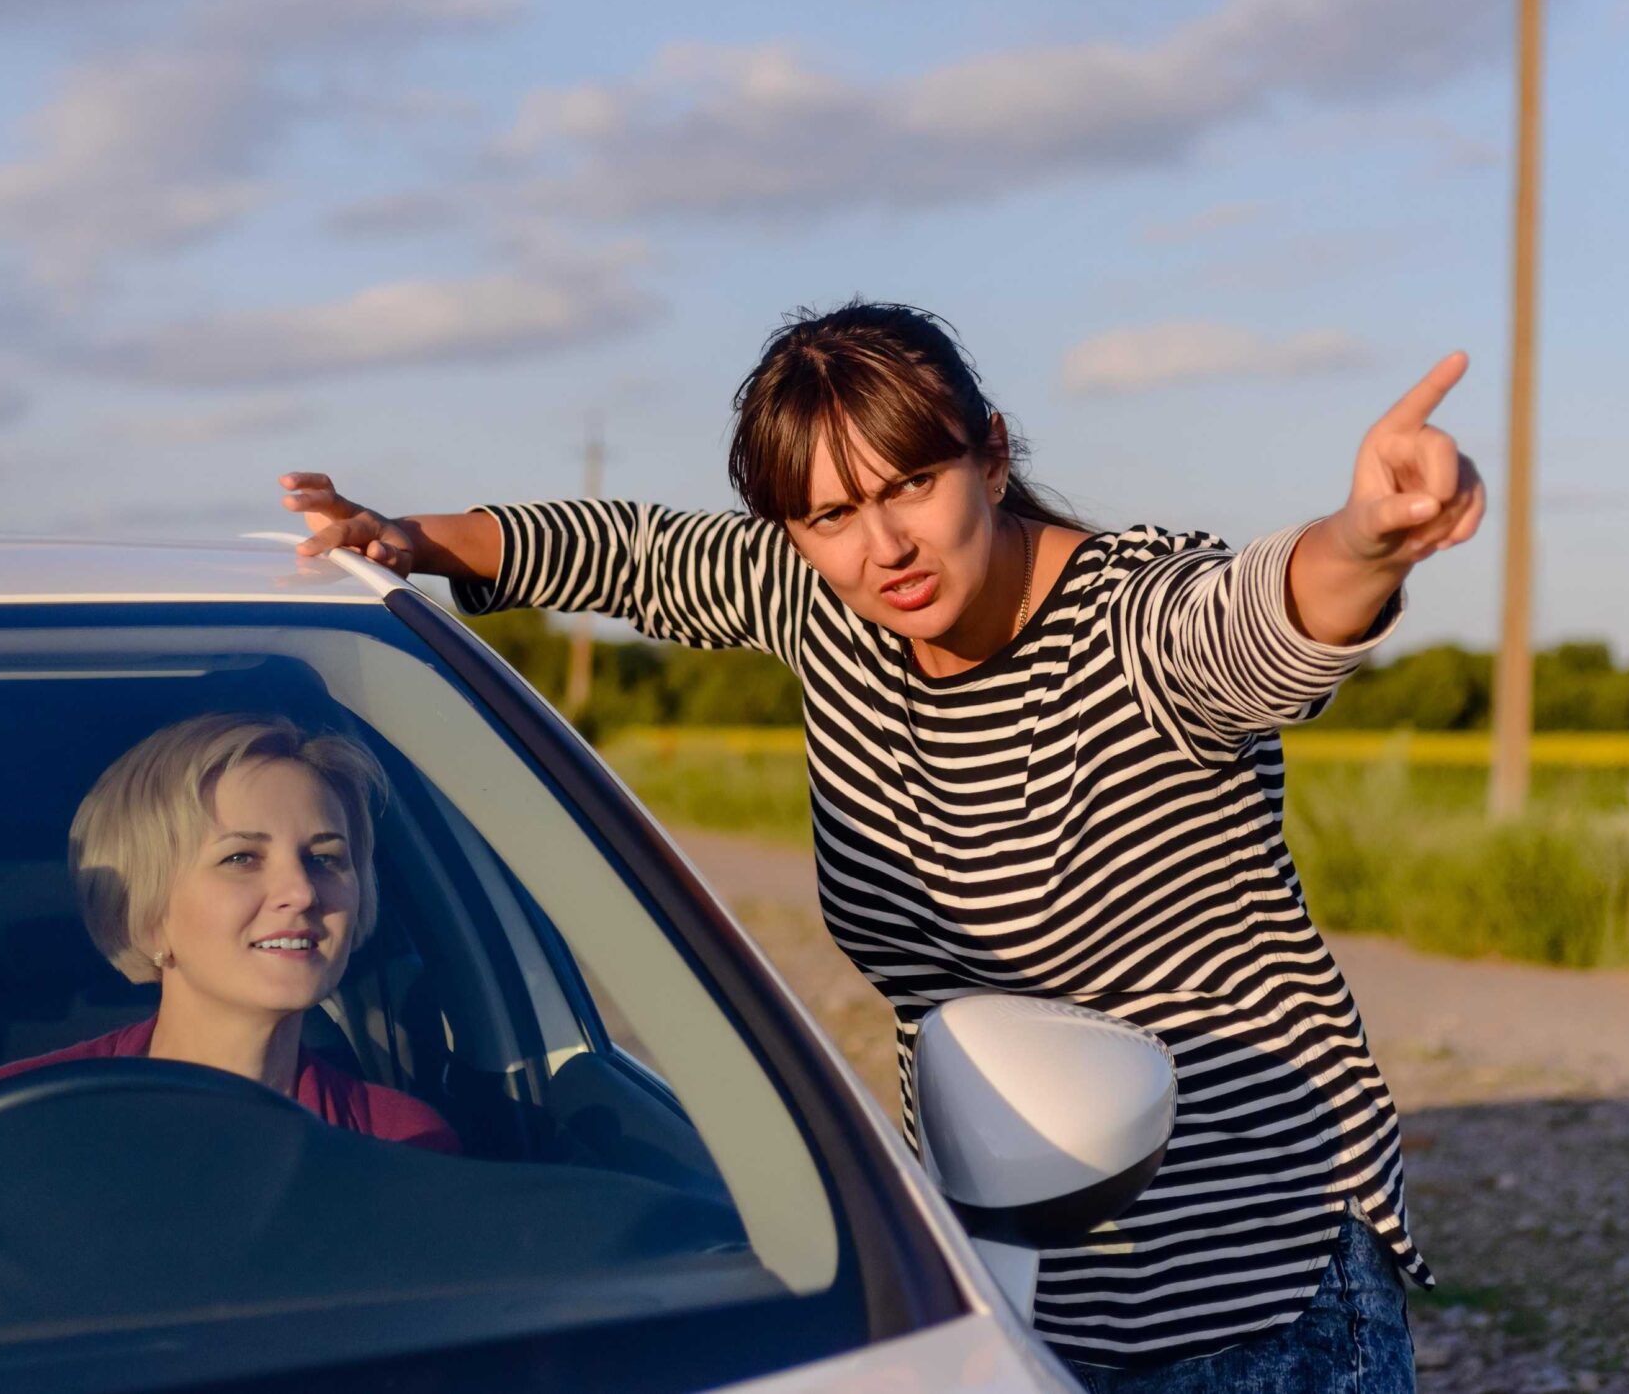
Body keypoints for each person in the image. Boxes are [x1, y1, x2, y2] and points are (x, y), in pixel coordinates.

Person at [284, 302, 1482, 1390]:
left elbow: (1251, 622)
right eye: (832, 515)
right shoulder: (827, 602)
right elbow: (627, 549)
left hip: (1245, 1293)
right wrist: (409, 539)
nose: (883, 548)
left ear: (993, 456)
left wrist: (1368, 542)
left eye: (911, 485)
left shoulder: (1130, 623)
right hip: (997, 1276)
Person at [0, 713, 459, 1155]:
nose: (303, 892)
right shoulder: (14, 1126)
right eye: (241, 858)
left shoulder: (404, 1144)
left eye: (324, 858)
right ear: (147, 912)